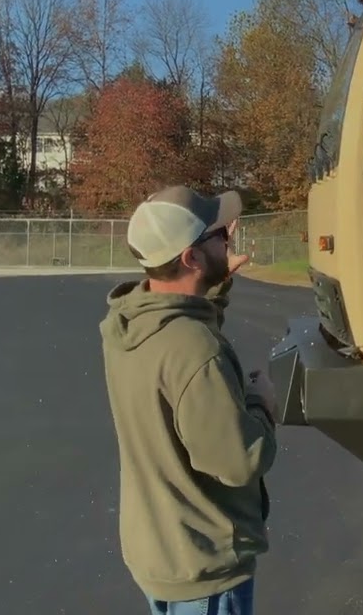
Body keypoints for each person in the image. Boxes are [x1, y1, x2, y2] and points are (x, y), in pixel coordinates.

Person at [99, 184, 279, 615]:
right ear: (191, 258)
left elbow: (180, 329)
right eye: (219, 236)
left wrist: (217, 284)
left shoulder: (127, 323)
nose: (227, 240)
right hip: (204, 566)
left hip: (161, 550)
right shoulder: (196, 351)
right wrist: (261, 404)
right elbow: (238, 461)